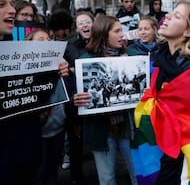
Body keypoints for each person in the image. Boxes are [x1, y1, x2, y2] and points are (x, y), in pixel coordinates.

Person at [133, 0, 190, 184]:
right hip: (162, 137)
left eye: (177, 16)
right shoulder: (161, 55)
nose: (167, 16)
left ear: (188, 31)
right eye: (171, 12)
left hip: (180, 145)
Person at [0, 0, 69, 184]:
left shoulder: (19, 54)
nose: (11, 10)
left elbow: (32, 97)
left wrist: (53, 73)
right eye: (1, 5)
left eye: (11, 3)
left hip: (26, 159)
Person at [73, 15, 138, 185]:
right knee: (107, 178)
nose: (122, 35)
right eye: (117, 31)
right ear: (103, 34)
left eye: (121, 30)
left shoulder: (132, 57)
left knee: (138, 173)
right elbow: (77, 94)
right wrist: (77, 99)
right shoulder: (85, 61)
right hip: (100, 129)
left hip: (129, 126)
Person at [26, 29, 67, 185]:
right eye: (40, 40)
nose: (46, 42)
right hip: (37, 131)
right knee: (39, 170)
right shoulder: (23, 67)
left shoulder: (60, 63)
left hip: (58, 126)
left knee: (53, 168)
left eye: (48, 39)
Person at [63, 10, 95, 183]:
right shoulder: (69, 48)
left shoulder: (100, 45)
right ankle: (76, 177)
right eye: (81, 23)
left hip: (97, 102)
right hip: (76, 103)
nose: (85, 25)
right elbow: (64, 76)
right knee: (76, 142)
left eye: (88, 22)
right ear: (76, 28)